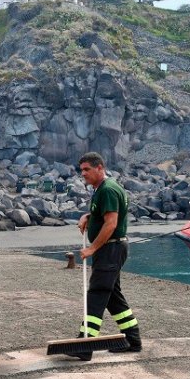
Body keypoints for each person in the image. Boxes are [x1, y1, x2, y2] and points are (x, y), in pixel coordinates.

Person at [68, 152, 142, 361]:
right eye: (81, 169)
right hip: (111, 249)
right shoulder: (104, 189)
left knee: (98, 293)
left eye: (87, 169)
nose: (83, 174)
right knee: (112, 297)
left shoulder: (108, 189)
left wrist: (92, 248)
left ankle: (85, 344)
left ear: (99, 167)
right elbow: (105, 214)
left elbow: (111, 222)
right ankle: (132, 340)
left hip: (110, 249)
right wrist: (88, 216)